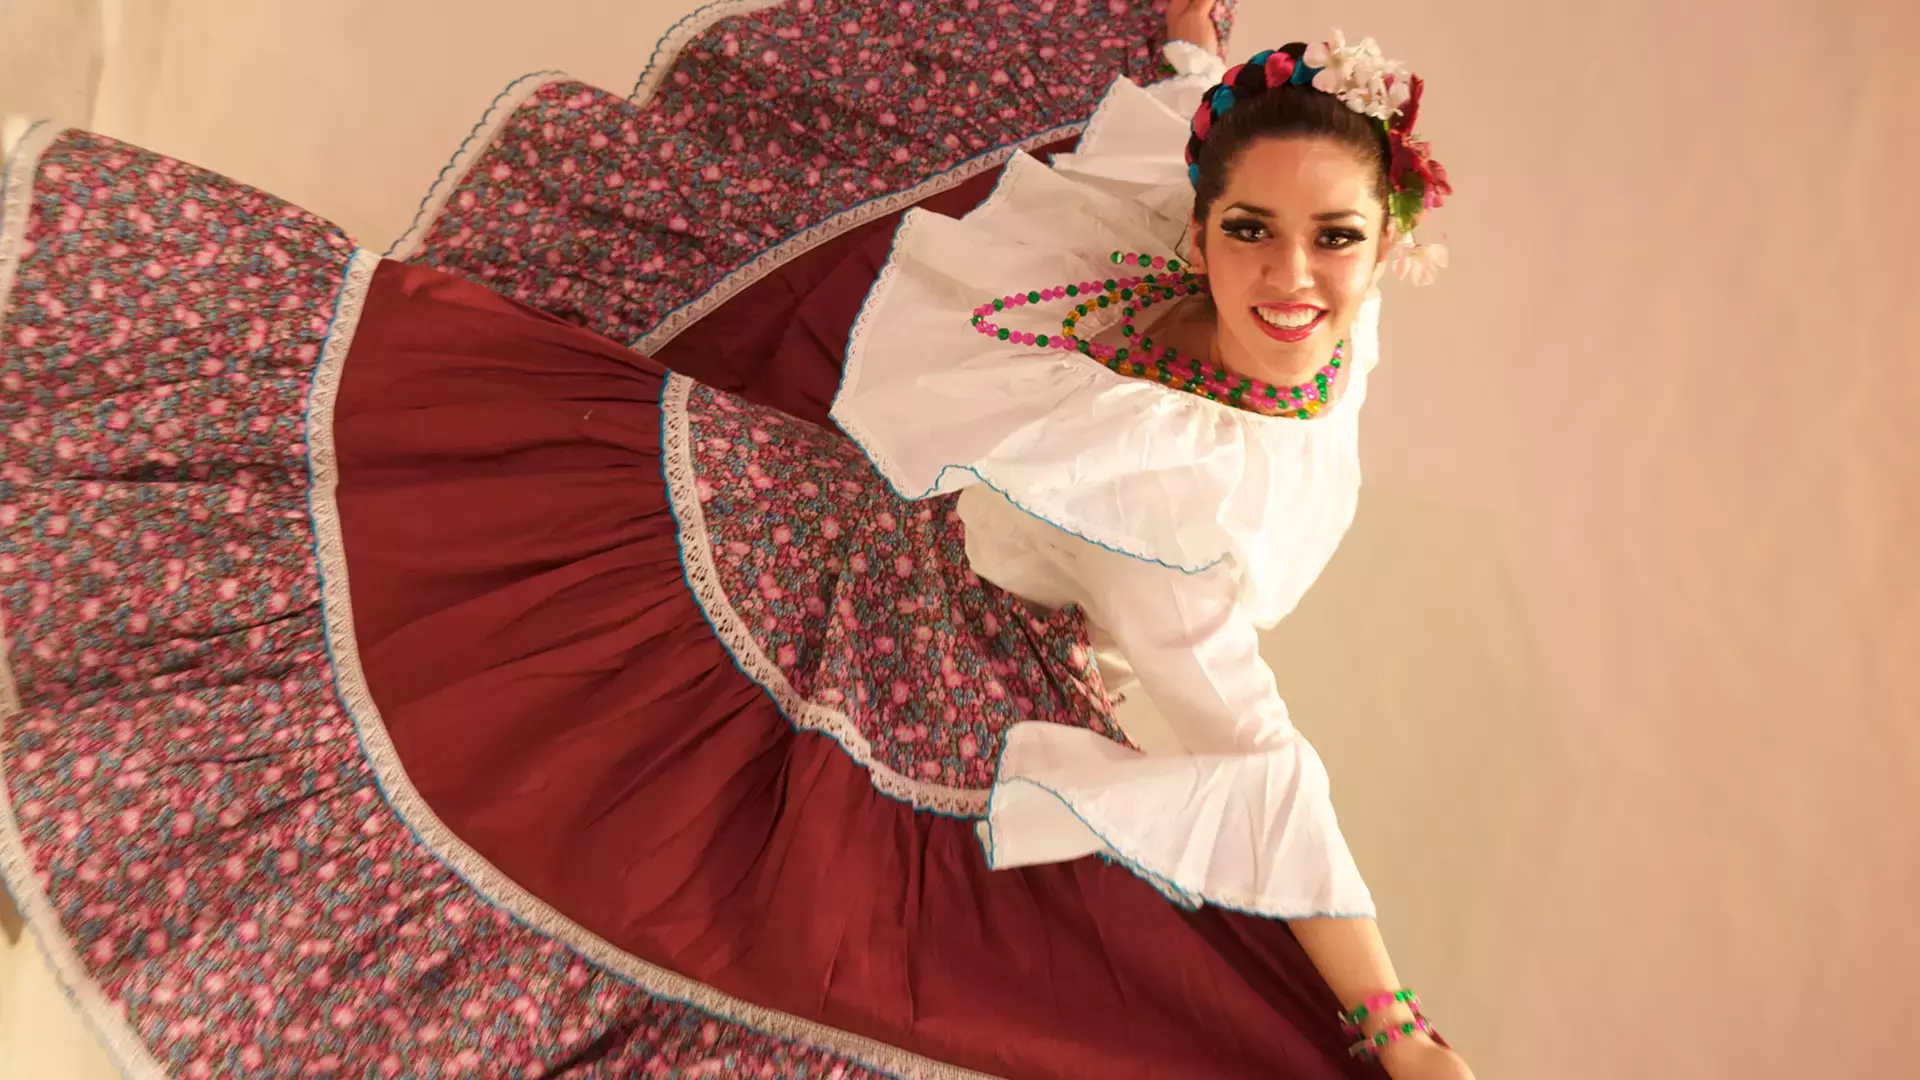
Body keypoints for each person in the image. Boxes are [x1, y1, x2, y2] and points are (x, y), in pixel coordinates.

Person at [0, 0, 1471, 1076]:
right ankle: (65, 677)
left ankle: (74, 794)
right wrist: (1190, 47)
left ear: (1390, 239)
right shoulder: (1194, 197)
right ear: (1200, 217)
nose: (1290, 278)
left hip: (900, 640)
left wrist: (1391, 1022)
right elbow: (1175, 126)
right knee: (440, 499)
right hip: (802, 499)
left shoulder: (1196, 508)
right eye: (1250, 233)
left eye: (1335, 242)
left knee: (582, 799)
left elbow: (1258, 753)